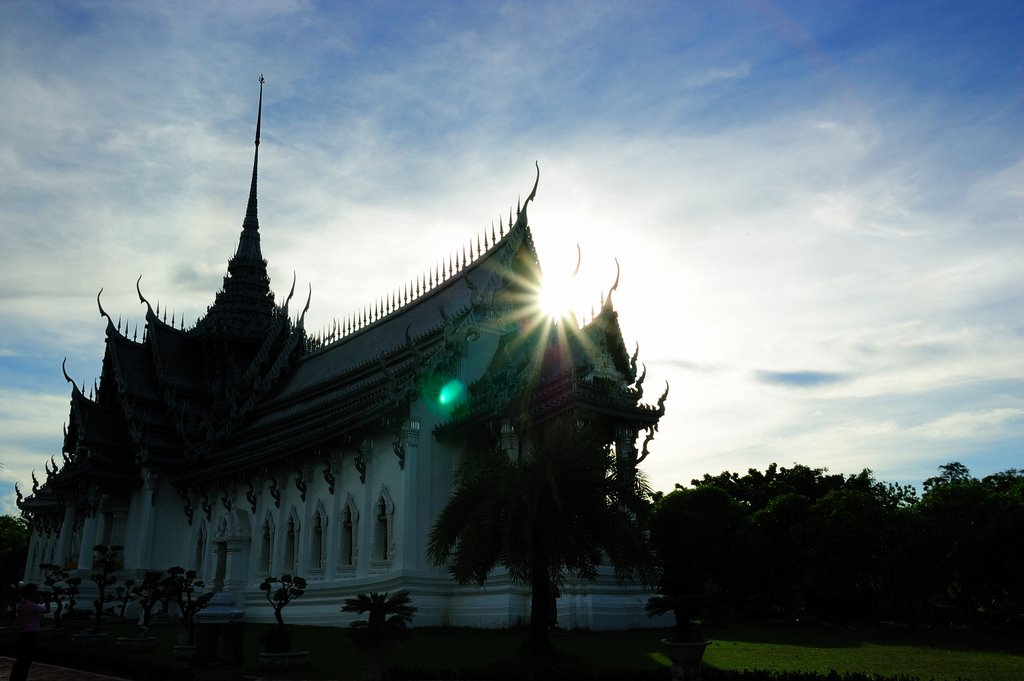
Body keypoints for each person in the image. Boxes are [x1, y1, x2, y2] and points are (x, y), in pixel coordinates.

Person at [8, 583, 49, 681]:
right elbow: (46, 610)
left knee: (21, 661)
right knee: (25, 661)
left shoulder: (22, 604)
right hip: (30, 636)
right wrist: (47, 600)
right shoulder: (31, 605)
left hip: (23, 635)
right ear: (31, 593)